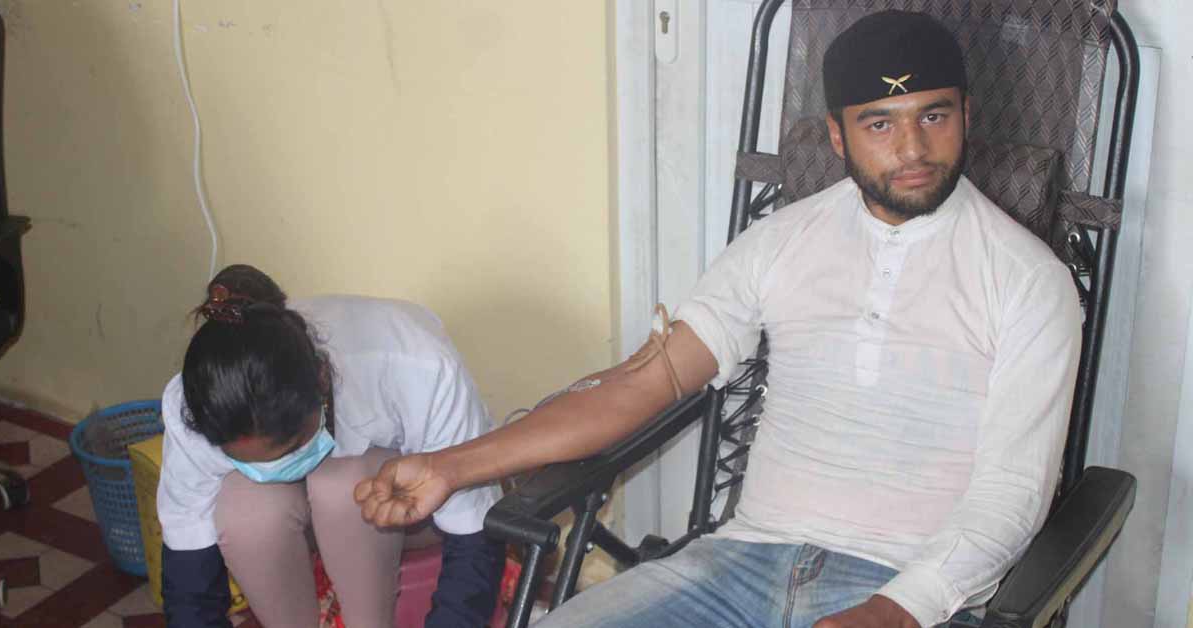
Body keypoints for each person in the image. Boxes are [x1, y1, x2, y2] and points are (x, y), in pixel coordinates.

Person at [355, 10, 1081, 628]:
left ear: (967, 115)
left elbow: (1013, 493)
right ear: (837, 137)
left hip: (906, 587)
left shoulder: (1028, 281)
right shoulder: (780, 242)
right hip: (737, 566)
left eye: (934, 115)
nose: (913, 148)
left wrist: (897, 609)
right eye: (879, 123)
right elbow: (644, 383)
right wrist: (448, 466)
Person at [157, 264, 504, 628]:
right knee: (244, 511)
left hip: (408, 515)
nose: (274, 471)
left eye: (291, 447)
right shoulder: (198, 403)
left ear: (322, 380)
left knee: (342, 486)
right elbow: (188, 571)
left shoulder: (417, 366)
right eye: (248, 462)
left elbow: (472, 538)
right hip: (299, 520)